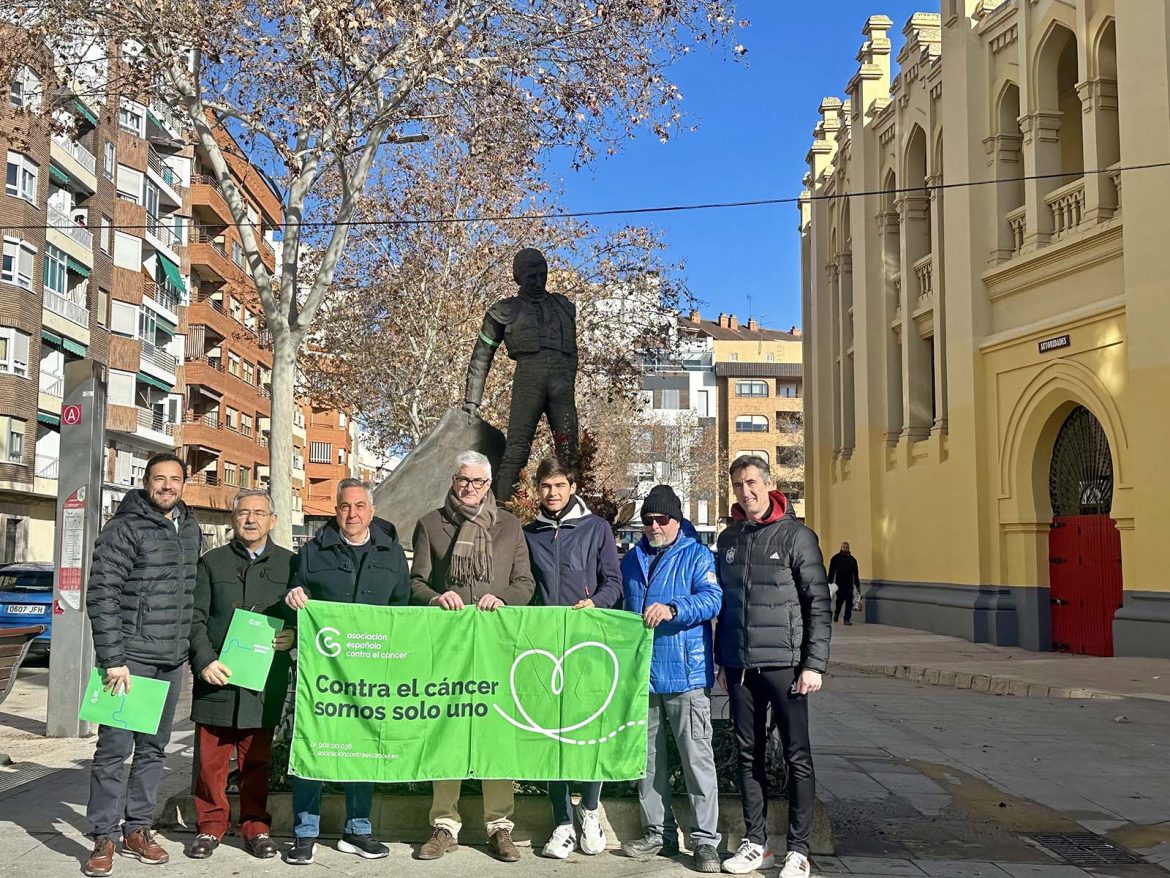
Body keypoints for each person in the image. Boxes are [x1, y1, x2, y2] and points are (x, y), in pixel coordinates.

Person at [411, 450, 536, 862]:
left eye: (478, 482)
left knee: (495, 734)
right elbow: (416, 584)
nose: (470, 487)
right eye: (464, 480)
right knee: (445, 730)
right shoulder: (430, 524)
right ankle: (444, 824)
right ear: (453, 481)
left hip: (495, 648)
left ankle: (499, 826)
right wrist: (435, 597)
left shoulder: (510, 527)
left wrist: (500, 598)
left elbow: (525, 584)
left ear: (488, 486)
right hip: (448, 647)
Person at [83, 452, 203, 877]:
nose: (167, 486)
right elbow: (102, 595)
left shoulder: (189, 527)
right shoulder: (124, 527)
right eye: (159, 479)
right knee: (114, 750)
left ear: (183, 484)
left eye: (174, 479)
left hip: (171, 661)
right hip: (130, 662)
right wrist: (113, 660)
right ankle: (103, 834)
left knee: (153, 749)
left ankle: (138, 827)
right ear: (146, 481)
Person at [283, 479, 411, 865]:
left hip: (372, 670)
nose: (351, 514)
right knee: (314, 743)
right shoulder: (311, 552)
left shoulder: (391, 554)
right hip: (323, 672)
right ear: (335, 510)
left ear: (371, 511)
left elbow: (401, 609)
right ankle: (305, 832)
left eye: (359, 506)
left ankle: (358, 830)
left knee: (364, 747)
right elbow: (294, 595)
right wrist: (293, 598)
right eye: (343, 507)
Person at [716, 456, 832, 877]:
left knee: (797, 755)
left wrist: (813, 663)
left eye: (750, 483)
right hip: (740, 667)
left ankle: (798, 850)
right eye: (737, 485)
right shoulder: (729, 539)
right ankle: (756, 844)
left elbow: (818, 602)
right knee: (749, 756)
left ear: (768, 484)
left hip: (786, 665)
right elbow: (724, 606)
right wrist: (720, 659)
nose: (744, 492)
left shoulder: (798, 536)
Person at [618, 484, 723, 874]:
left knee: (697, 760)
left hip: (686, 674)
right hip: (643, 676)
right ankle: (656, 832)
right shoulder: (632, 561)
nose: (654, 526)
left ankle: (705, 842)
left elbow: (713, 600)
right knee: (647, 760)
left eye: (661, 520)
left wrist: (674, 608)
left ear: (677, 521)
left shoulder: (697, 556)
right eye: (647, 520)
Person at [186, 488, 295, 860]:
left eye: (259, 513)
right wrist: (204, 661)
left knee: (257, 762)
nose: (251, 519)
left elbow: (302, 616)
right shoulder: (211, 562)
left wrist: (292, 636)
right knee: (211, 763)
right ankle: (211, 827)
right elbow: (195, 619)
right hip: (217, 677)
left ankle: (256, 826)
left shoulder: (290, 565)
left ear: (273, 521)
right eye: (244, 513)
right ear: (234, 519)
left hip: (262, 681)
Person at [522, 456, 622, 859]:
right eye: (545, 486)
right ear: (538, 490)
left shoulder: (596, 528)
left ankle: (591, 812)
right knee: (553, 737)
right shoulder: (529, 532)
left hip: (586, 644)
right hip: (544, 646)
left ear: (572, 486)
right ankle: (562, 821)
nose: (552, 493)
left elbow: (613, 583)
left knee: (587, 732)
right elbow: (524, 586)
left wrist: (594, 602)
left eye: (559, 485)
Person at [462, 248, 579, 500]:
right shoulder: (503, 310)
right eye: (530, 277)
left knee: (569, 452)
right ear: (517, 278)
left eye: (541, 275)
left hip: (561, 380)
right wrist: (472, 400)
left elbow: (573, 352)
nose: (538, 281)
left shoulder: (565, 307)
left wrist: (569, 381)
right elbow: (482, 357)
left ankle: (574, 515)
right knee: (516, 451)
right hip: (529, 378)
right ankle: (502, 514)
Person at [828, 541, 861, 626]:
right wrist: (829, 583)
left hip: (849, 584)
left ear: (849, 548)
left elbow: (856, 574)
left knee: (849, 602)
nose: (845, 549)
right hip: (839, 584)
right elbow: (831, 572)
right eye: (843, 547)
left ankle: (847, 619)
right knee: (839, 601)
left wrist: (857, 585)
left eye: (846, 547)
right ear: (841, 548)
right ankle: (836, 613)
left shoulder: (852, 560)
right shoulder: (835, 558)